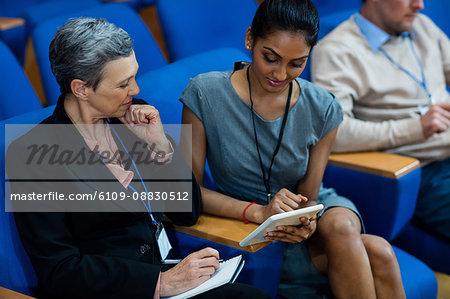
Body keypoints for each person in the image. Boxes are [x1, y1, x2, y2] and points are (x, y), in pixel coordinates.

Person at [6, 17, 269, 299]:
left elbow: (187, 212)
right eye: (123, 84)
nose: (136, 90)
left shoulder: (132, 118)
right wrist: (159, 283)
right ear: (81, 88)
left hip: (163, 274)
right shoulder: (31, 153)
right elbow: (60, 270)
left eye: (134, 76)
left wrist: (160, 148)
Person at [180, 0, 406, 298]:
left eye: (296, 63)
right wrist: (260, 212)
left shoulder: (323, 106)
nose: (281, 74)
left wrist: (305, 221)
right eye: (270, 58)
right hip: (249, 221)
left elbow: (310, 196)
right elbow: (186, 194)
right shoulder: (204, 93)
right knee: (379, 251)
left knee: (341, 224)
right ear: (250, 39)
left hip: (312, 218)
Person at [311, 0, 450, 241]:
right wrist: (416, 128)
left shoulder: (421, 26)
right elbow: (334, 132)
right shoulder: (337, 50)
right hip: (421, 173)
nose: (420, 5)